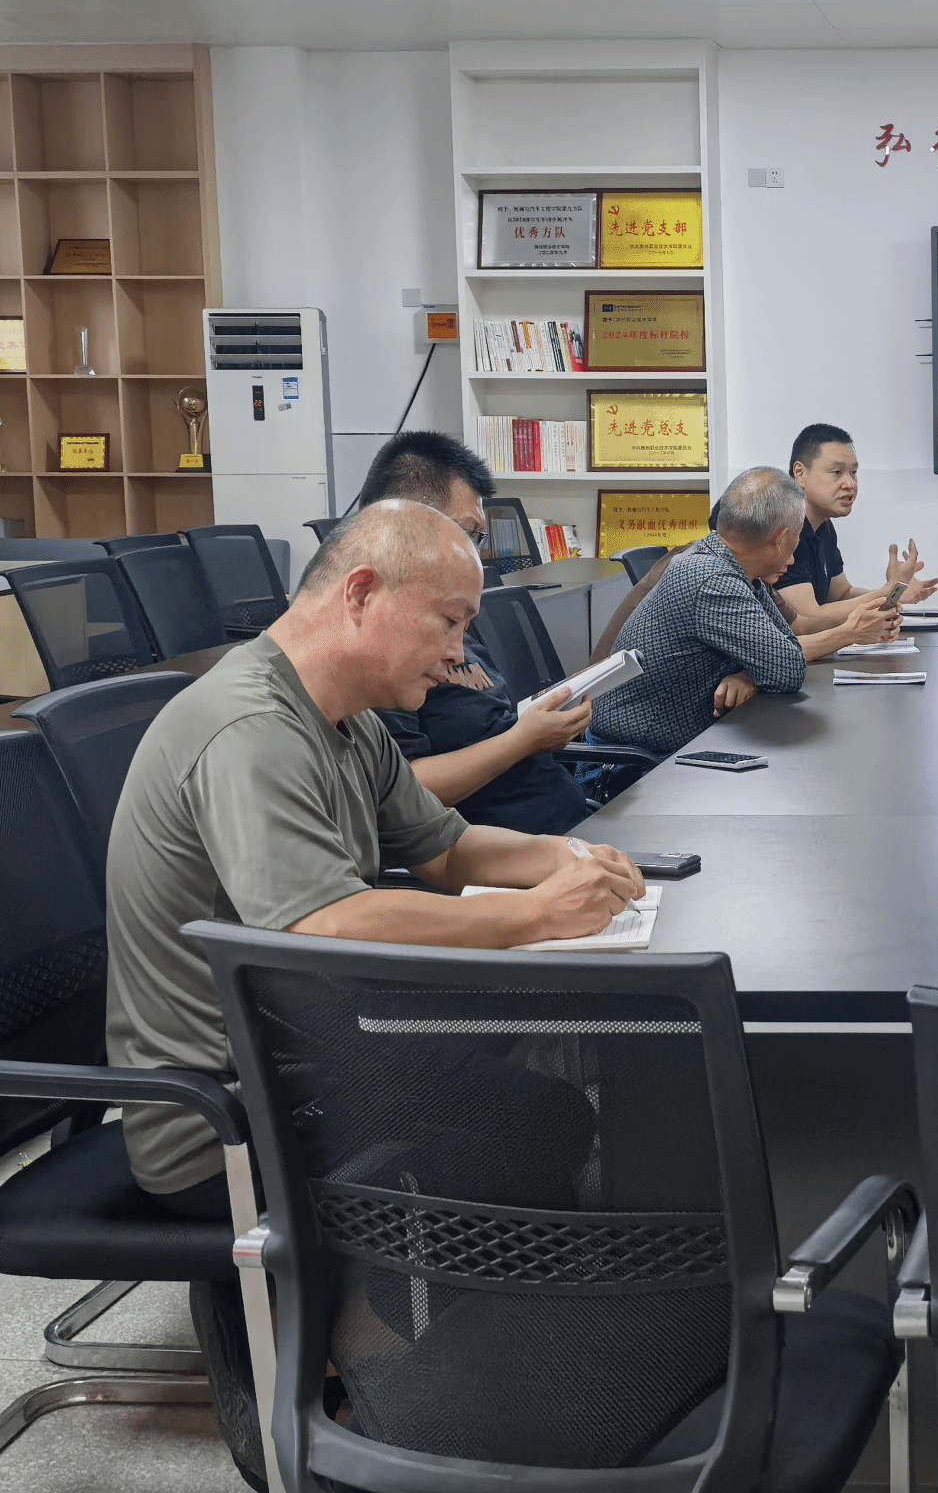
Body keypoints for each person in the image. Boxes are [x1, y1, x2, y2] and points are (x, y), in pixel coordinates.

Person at [104, 499, 645, 1487]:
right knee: (512, 1133)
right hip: (222, 1119)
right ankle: (346, 1366)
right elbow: (321, 923)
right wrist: (534, 918)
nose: (459, 653)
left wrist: (567, 862)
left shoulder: (343, 720)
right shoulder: (250, 727)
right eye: (448, 621)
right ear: (361, 594)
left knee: (543, 1118)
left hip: (311, 1059)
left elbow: (444, 850)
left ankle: (419, 1355)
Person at [356, 431, 592, 835]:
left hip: (560, 827)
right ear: (404, 526)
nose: (454, 652)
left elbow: (490, 722)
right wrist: (523, 740)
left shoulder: (451, 616)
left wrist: (541, 718)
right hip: (506, 845)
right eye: (467, 534)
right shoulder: (382, 641)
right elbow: (403, 794)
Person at [591, 468, 899, 755]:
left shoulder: (733, 565)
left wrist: (750, 674)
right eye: (797, 535)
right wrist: (845, 634)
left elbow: (786, 644)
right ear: (780, 539)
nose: (796, 550)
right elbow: (789, 669)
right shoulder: (712, 580)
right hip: (634, 764)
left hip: (681, 745)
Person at [777, 422, 938, 624]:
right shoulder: (785, 527)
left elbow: (841, 594)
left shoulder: (824, 526)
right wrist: (889, 590)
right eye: (837, 472)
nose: (850, 484)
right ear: (800, 473)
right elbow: (808, 617)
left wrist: (895, 593)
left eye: (853, 472)